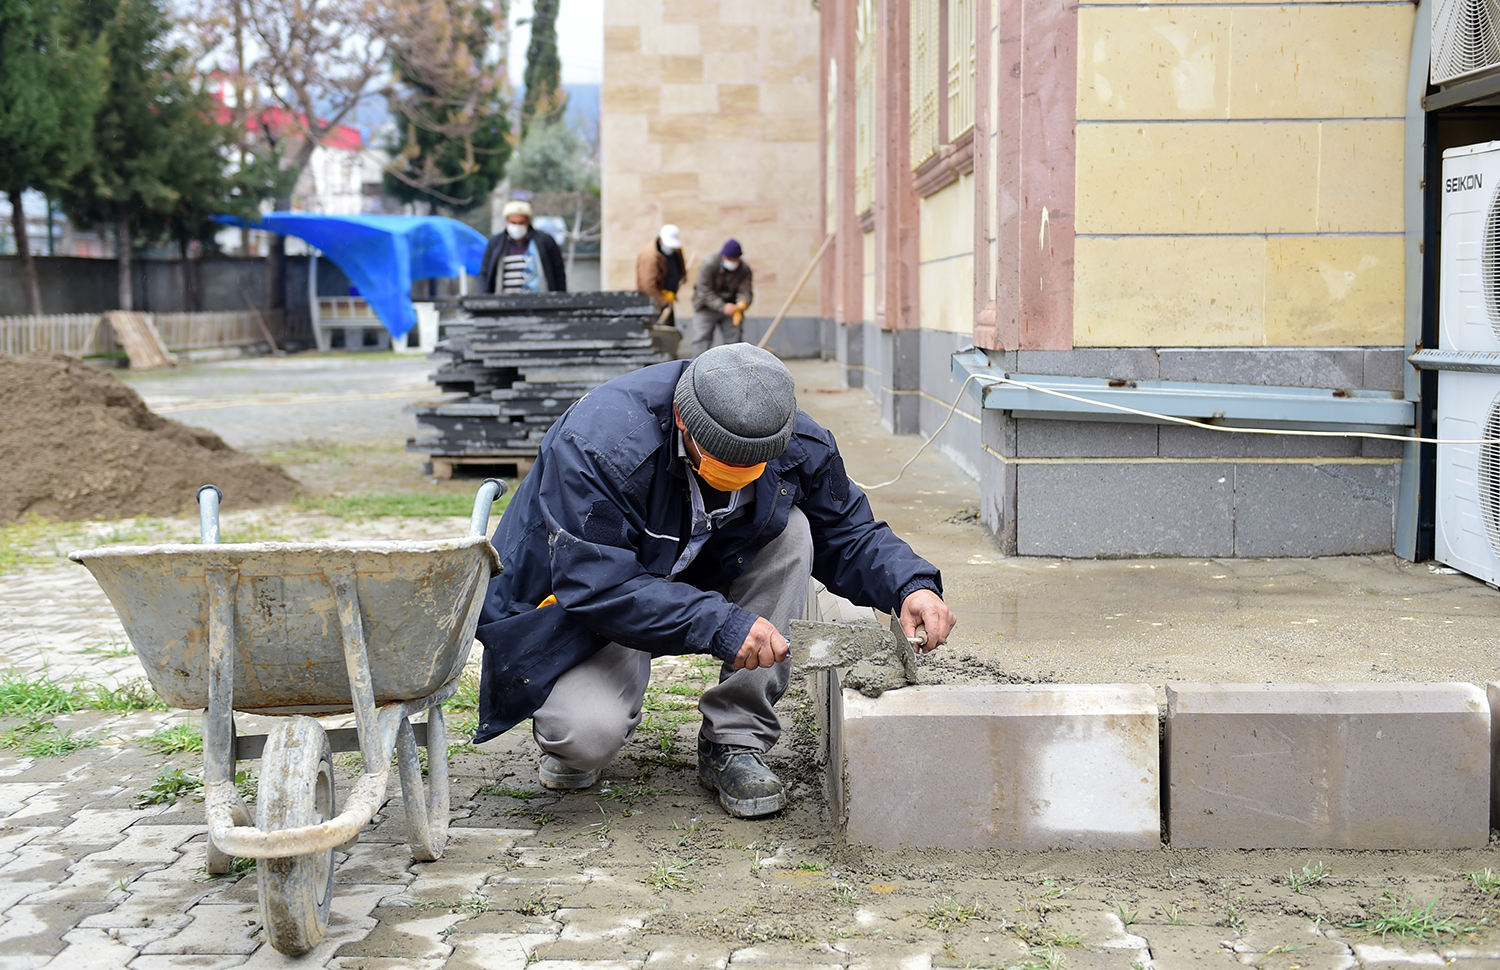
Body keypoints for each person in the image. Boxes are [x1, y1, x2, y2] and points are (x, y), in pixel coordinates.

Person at [471, 343, 957, 819]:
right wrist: (719, 623)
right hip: (592, 606)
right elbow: (595, 583)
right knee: (583, 736)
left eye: (754, 466)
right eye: (725, 463)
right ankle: (578, 732)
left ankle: (734, 740)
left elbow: (848, 532)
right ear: (684, 420)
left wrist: (909, 585)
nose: (741, 477)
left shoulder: (792, 436)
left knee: (795, 531)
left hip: (696, 565)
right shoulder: (601, 444)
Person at [479, 200, 566, 293]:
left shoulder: (545, 241)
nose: (517, 226)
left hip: (538, 301)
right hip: (505, 302)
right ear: (506, 221)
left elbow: (558, 273)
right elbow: (485, 273)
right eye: (513, 222)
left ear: (528, 221)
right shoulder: (496, 243)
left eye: (521, 223)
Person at [689, 239, 753, 357]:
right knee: (701, 339)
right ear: (723, 257)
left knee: (735, 342)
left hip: (731, 309)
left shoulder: (744, 269)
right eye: (730, 259)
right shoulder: (709, 264)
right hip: (706, 307)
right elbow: (704, 291)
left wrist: (741, 304)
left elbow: (745, 290)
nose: (733, 262)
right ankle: (697, 370)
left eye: (736, 260)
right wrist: (722, 306)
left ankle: (734, 370)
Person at [636, 224, 688, 329]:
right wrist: (663, 302)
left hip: (668, 297)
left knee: (670, 328)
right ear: (660, 240)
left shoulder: (675, 250)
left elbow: (680, 263)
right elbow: (648, 286)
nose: (671, 249)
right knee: (658, 330)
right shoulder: (650, 257)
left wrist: (682, 275)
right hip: (654, 302)